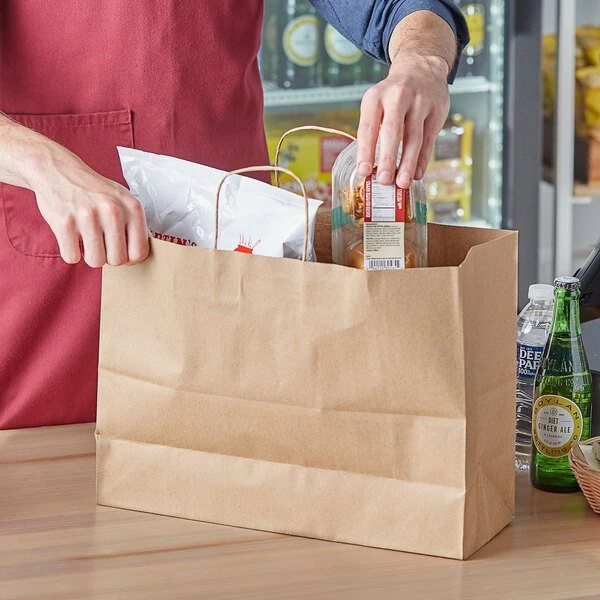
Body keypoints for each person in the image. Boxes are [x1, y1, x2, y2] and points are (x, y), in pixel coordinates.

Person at [0, 1, 468, 429]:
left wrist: (421, 61)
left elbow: (399, 7)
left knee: (236, 448)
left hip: (232, 249)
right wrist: (45, 166)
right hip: (56, 269)